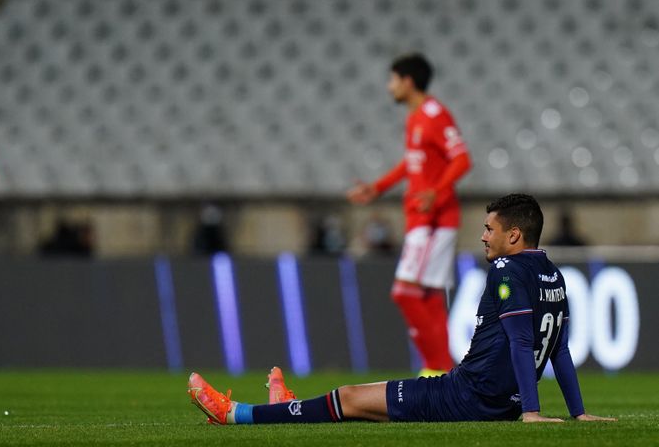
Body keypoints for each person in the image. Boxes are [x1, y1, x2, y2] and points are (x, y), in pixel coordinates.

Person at [188, 194, 617, 424]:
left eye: (490, 229)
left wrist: (531, 413)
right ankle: (285, 408)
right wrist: (578, 412)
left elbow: (524, 341)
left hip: (465, 397)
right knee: (367, 406)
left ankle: (237, 415)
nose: (483, 237)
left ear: (515, 235)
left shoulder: (506, 270)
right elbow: (558, 351)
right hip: (492, 402)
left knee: (350, 398)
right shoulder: (554, 275)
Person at [346, 53, 472, 376]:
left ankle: (437, 367)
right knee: (428, 297)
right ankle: (444, 372)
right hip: (421, 219)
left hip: (433, 220)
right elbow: (411, 163)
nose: (389, 87)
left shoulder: (434, 114)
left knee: (405, 292)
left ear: (407, 81)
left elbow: (461, 160)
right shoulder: (415, 117)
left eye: (392, 80)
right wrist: (377, 187)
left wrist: (436, 192)